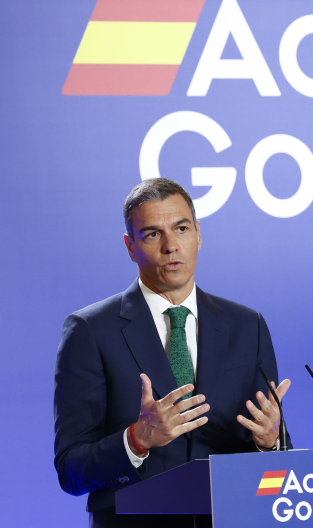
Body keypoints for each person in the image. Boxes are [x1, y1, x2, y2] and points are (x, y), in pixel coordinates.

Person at [53, 178, 291, 528]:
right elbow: (71, 470)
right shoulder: (90, 331)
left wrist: (270, 442)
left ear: (197, 233)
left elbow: (274, 453)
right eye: (151, 234)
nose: (170, 246)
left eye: (180, 228)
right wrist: (136, 439)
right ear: (130, 246)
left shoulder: (247, 325)